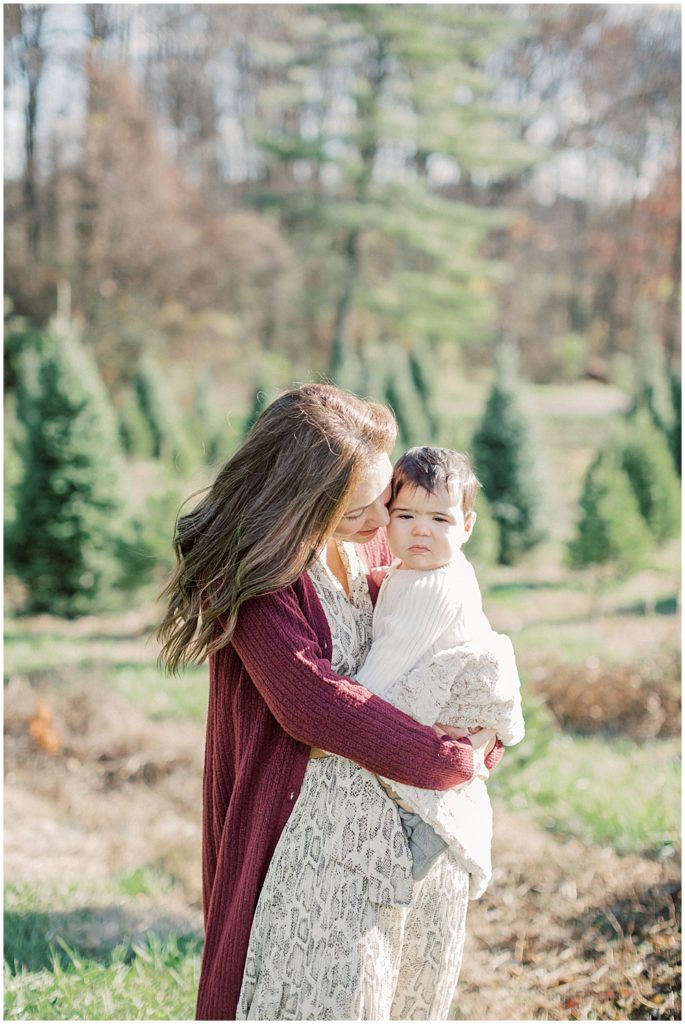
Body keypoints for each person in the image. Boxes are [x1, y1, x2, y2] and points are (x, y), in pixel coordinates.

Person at [157, 383, 504, 1021]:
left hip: (404, 828)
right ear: (296, 505)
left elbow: (451, 636)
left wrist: (488, 723)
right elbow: (312, 704)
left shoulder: (374, 542)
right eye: (353, 512)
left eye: (384, 500)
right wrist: (449, 756)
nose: (379, 524)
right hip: (309, 843)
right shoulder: (256, 576)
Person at [355, 446, 525, 898]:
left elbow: (386, 667)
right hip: (455, 694)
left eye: (439, 520)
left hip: (449, 697)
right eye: (405, 515)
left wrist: (347, 705)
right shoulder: (427, 570)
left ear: (466, 526)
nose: (420, 531)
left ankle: (427, 835)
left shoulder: (429, 588)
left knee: (414, 774)